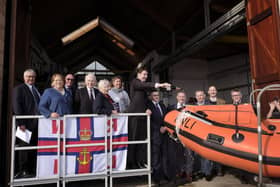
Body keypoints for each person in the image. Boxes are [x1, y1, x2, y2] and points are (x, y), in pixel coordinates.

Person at [126, 65, 170, 169]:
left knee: (141, 141)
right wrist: (159, 84)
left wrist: (147, 108)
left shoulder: (143, 86)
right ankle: (130, 163)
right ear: (138, 74)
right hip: (134, 116)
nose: (145, 76)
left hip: (142, 117)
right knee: (133, 140)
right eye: (144, 74)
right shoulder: (135, 82)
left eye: (147, 74)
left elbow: (144, 100)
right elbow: (143, 86)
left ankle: (139, 162)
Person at [12, 69, 41, 178]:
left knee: (33, 146)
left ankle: (31, 169)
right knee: (23, 148)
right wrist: (21, 123)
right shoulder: (19, 89)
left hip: (36, 123)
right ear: (24, 78)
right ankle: (23, 170)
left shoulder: (36, 90)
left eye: (33, 77)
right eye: (28, 76)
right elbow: (16, 106)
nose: (31, 79)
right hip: (24, 124)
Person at [165, 91, 193, 183]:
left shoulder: (189, 108)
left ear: (185, 98)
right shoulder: (171, 107)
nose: (181, 98)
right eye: (180, 96)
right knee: (178, 155)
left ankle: (188, 173)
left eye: (183, 96)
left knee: (188, 155)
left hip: (187, 136)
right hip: (175, 136)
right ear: (177, 97)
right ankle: (180, 171)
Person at [147, 91, 167, 184]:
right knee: (156, 157)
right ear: (151, 96)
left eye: (157, 95)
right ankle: (156, 178)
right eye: (154, 95)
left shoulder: (162, 105)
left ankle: (163, 175)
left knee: (164, 156)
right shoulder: (149, 106)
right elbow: (149, 121)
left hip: (164, 134)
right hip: (155, 135)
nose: (156, 97)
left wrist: (165, 127)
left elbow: (165, 118)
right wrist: (159, 128)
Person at [194, 90, 213, 181]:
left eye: (201, 95)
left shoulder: (210, 106)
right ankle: (202, 171)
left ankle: (208, 173)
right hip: (196, 133)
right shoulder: (193, 107)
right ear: (196, 97)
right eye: (198, 96)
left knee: (207, 154)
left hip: (207, 133)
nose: (200, 97)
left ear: (204, 96)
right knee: (198, 154)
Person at [206, 86, 225, 176]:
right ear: (208, 92)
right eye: (211, 90)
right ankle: (209, 171)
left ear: (216, 91)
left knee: (219, 149)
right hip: (208, 128)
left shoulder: (222, 102)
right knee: (208, 149)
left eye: (214, 90)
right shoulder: (205, 103)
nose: (213, 91)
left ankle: (219, 169)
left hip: (219, 129)